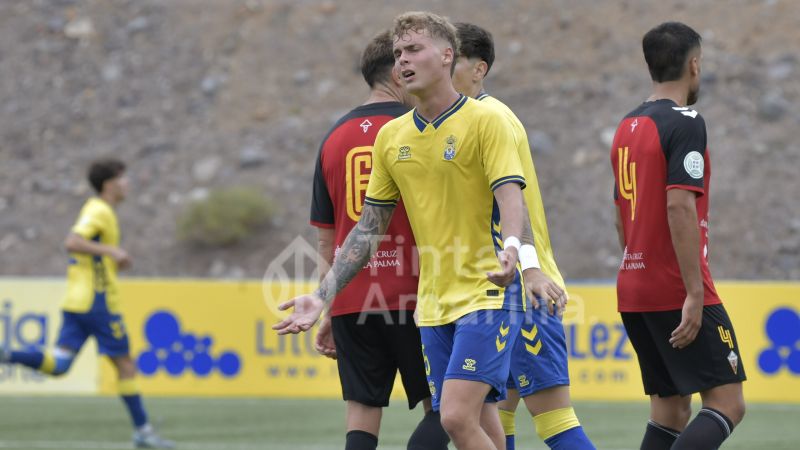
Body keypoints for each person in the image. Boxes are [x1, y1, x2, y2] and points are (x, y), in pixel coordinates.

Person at [275, 11, 535, 450]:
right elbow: (367, 228)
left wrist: (512, 247)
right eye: (398, 54)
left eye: (414, 49)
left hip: (486, 291)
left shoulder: (485, 119)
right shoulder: (392, 138)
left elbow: (511, 194)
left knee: (453, 417)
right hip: (431, 304)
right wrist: (322, 295)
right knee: (483, 423)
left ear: (447, 55)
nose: (403, 62)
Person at [451, 22, 594, 450]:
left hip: (519, 286)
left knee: (553, 418)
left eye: (451, 59)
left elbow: (515, 202)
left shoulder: (492, 117)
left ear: (479, 70)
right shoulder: (463, 121)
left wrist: (530, 271)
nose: (442, 68)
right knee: (494, 416)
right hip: (487, 291)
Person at [309, 30, 449, 450]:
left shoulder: (332, 138)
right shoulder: (416, 127)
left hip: (353, 297)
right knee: (445, 407)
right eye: (405, 59)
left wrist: (329, 306)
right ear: (395, 69)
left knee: (362, 412)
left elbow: (326, 237)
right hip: (418, 293)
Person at [610, 21, 746, 450]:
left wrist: (640, 264)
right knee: (728, 403)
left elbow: (619, 214)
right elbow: (679, 206)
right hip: (676, 287)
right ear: (694, 65)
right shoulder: (686, 121)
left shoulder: (626, 126)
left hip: (634, 286)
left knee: (670, 411)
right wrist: (693, 293)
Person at [0, 159, 174, 449]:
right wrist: (112, 250)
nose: (128, 183)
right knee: (126, 365)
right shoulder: (99, 210)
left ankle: (6, 355)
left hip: (77, 301)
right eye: (123, 178)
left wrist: (110, 259)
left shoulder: (100, 210)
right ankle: (143, 431)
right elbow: (73, 241)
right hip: (97, 303)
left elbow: (84, 251)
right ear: (109, 184)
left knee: (59, 364)